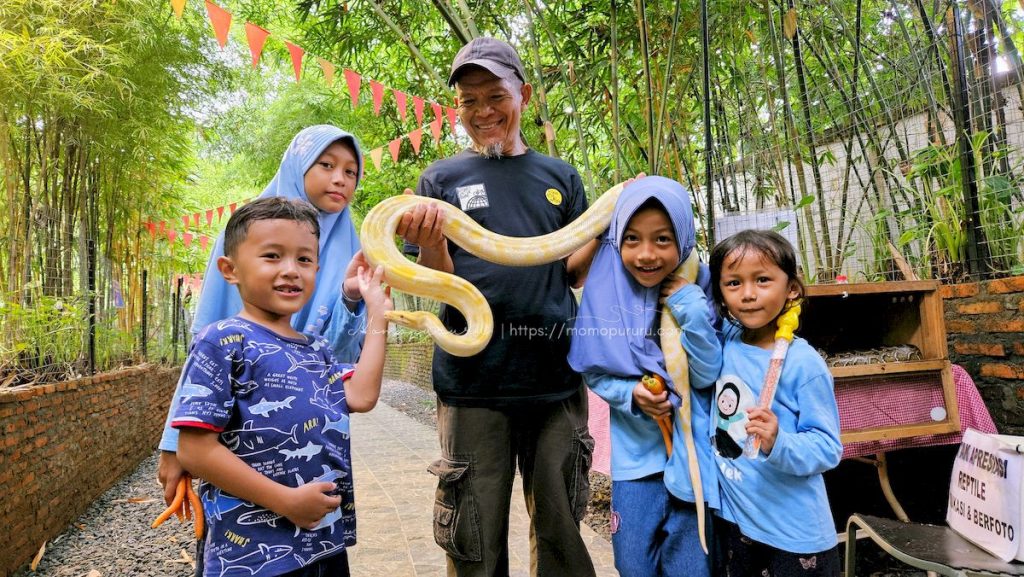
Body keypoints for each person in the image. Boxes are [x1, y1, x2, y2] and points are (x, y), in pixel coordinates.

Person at [396, 36, 600, 577]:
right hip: (473, 380)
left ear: (523, 95)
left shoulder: (561, 178)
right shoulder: (440, 181)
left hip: (555, 377)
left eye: (495, 95)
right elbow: (440, 284)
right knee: (474, 534)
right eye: (468, 101)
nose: (483, 111)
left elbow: (571, 272)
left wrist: (606, 224)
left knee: (561, 527)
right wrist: (433, 240)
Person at [172, 196, 392, 577]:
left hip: (323, 546)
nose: (292, 270)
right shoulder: (223, 341)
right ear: (230, 269)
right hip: (253, 558)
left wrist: (377, 312)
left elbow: (362, 395)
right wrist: (286, 501)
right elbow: (194, 450)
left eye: (304, 259)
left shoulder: (316, 349)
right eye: (272, 256)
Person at [158, 125, 369, 506]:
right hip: (237, 424)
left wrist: (353, 300)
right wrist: (175, 444)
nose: (340, 178)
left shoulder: (351, 246)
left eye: (351, 171)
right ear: (297, 166)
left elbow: (338, 356)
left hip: (307, 437)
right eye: (326, 164)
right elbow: (206, 342)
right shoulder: (247, 232)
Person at [567, 176, 722, 577]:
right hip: (636, 464)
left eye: (663, 240)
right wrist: (630, 392)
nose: (646, 254)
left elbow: (706, 374)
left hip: (693, 458)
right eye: (631, 239)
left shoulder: (700, 285)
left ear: (684, 237)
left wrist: (689, 306)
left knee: (692, 565)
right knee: (632, 562)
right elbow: (596, 372)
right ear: (616, 239)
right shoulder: (605, 293)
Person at [708, 229, 843, 577]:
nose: (749, 294)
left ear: (792, 289)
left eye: (763, 280)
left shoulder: (803, 364)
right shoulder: (726, 340)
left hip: (794, 538)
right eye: (734, 283)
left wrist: (778, 441)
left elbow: (828, 448)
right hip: (737, 525)